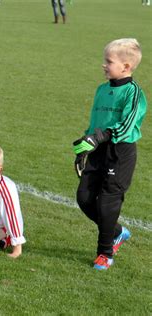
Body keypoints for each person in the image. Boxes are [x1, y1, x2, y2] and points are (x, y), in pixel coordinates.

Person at [73, 38, 147, 270]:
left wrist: (99, 137)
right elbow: (95, 122)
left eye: (108, 61)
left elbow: (126, 125)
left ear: (126, 66)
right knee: (84, 198)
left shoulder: (133, 92)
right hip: (98, 149)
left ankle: (105, 252)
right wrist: (85, 146)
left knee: (107, 202)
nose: (103, 65)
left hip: (120, 151)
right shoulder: (102, 89)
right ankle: (117, 232)